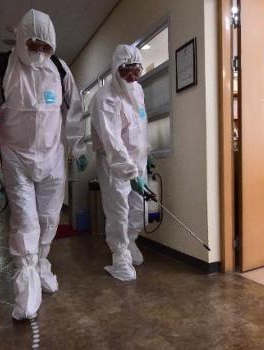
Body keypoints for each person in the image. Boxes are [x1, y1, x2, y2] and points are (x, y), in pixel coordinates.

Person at [0, 9, 88, 320]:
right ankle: (26, 294)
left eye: (45, 47)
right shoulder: (2, 65)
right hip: (16, 157)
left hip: (52, 158)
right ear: (21, 40)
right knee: (26, 223)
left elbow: (74, 113)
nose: (39, 53)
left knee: (49, 221)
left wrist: (78, 145)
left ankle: (41, 265)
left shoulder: (60, 69)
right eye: (34, 45)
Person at [90, 44, 151, 281]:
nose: (132, 76)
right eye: (127, 71)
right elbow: (112, 140)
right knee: (119, 211)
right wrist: (129, 171)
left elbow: (141, 123)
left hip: (139, 161)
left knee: (139, 209)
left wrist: (148, 151)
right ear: (116, 69)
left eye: (137, 70)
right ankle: (120, 257)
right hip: (114, 165)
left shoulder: (138, 90)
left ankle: (131, 242)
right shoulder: (104, 98)